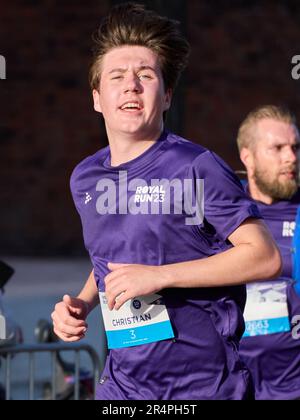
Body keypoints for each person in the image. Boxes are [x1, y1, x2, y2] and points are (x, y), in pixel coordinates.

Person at [51, 3, 281, 400]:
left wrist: (159, 275)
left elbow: (264, 256)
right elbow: (111, 254)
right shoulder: (85, 178)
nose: (131, 86)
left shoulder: (195, 166)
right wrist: (82, 304)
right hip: (123, 387)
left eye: (146, 75)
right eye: (117, 76)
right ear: (96, 98)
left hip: (203, 387)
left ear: (168, 95)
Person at [237, 105, 300, 400]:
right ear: (247, 157)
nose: (291, 157)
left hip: (291, 386)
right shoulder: (220, 212)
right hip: (230, 383)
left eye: (295, 147)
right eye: (277, 148)